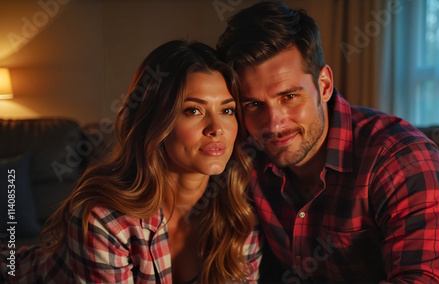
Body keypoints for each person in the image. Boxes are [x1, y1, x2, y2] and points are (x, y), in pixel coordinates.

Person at [216, 1, 439, 283]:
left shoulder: (402, 157)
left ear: (325, 85)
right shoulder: (248, 159)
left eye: (289, 96)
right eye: (255, 104)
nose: (273, 124)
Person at [0, 40, 262, 283]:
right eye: (193, 110)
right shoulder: (104, 219)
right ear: (155, 121)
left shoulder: (239, 209)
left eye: (227, 110)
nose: (217, 128)